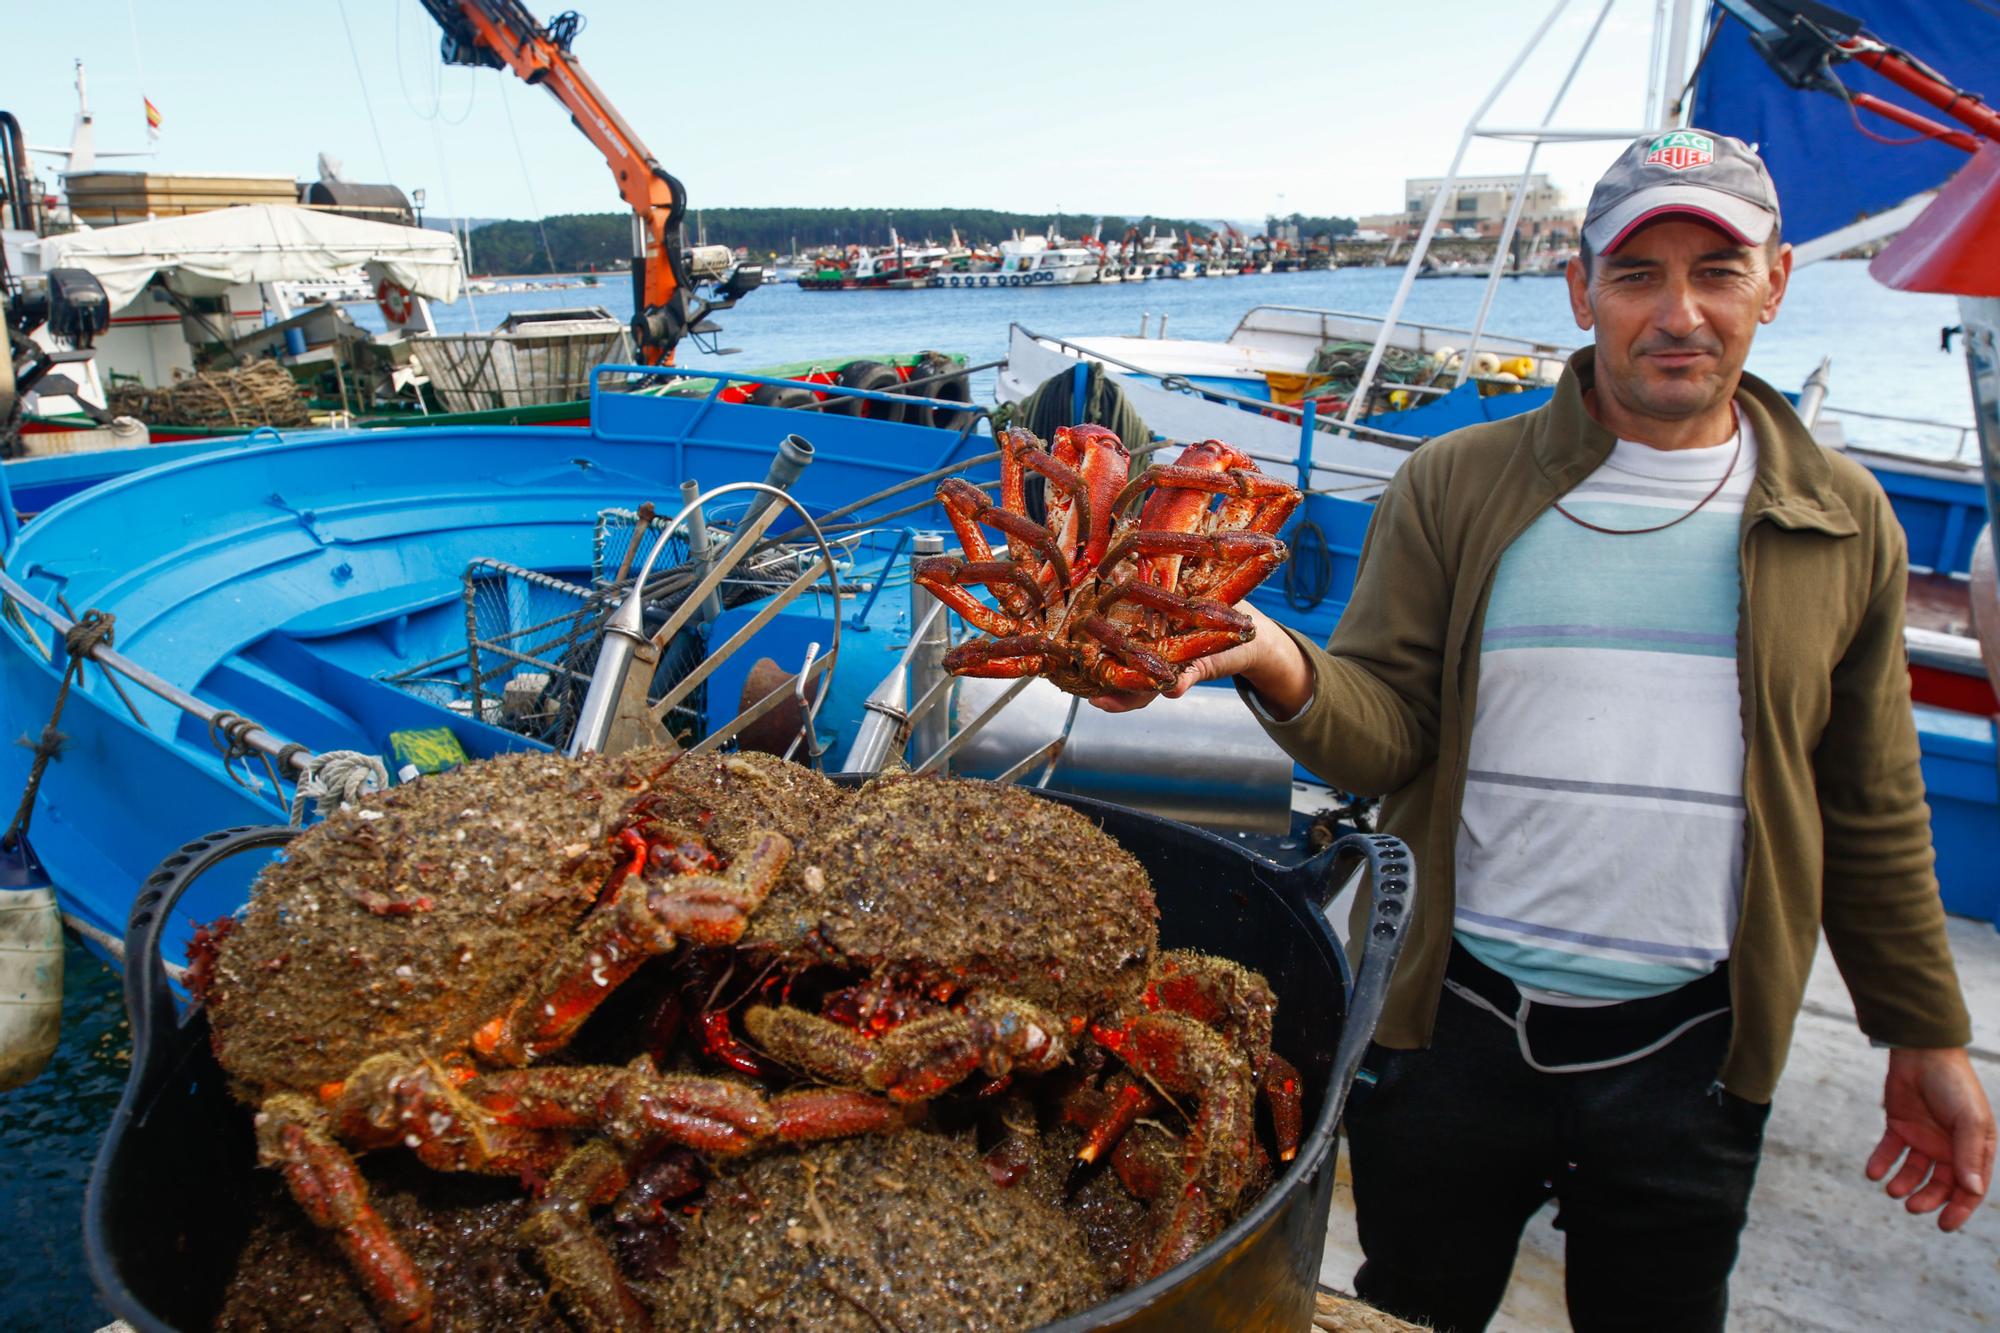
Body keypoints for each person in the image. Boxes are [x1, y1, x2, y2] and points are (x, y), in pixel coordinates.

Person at [1095, 129, 1995, 1331]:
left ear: (1773, 282)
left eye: (1715, 272)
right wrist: (1268, 653)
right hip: (1451, 1030)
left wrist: (1922, 1029)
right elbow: (1385, 739)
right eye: (1635, 275)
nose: (1677, 313)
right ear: (1580, 291)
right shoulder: (1455, 484)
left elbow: (1869, 800)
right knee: (1413, 1303)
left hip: (1695, 1052)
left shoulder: (1841, 518)